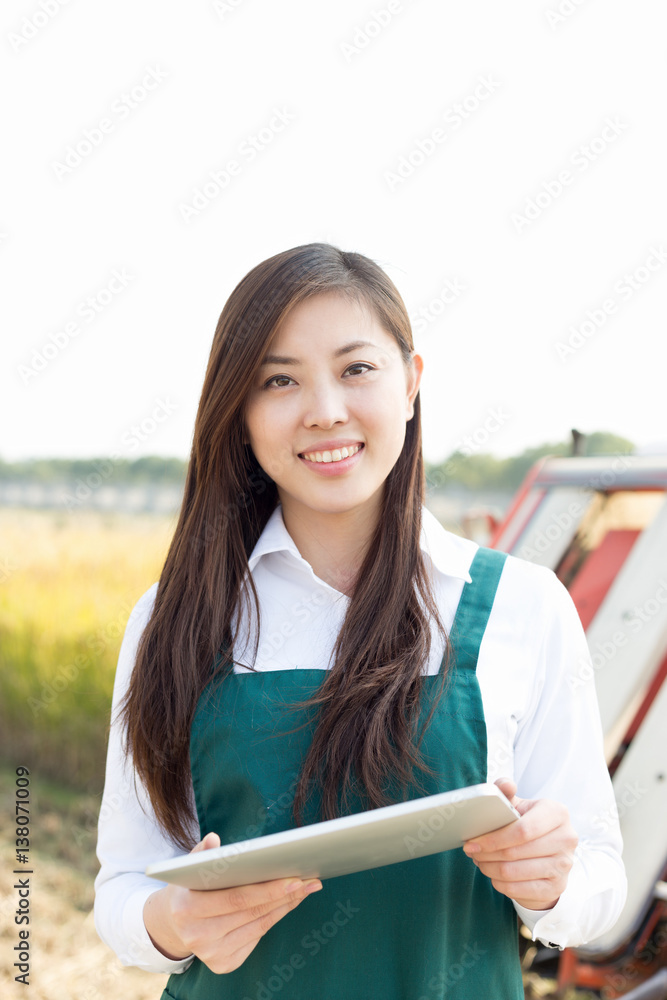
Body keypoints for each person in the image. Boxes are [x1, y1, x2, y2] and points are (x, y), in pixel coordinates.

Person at [94, 242, 626, 999]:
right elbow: (120, 885)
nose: (324, 411)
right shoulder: (173, 620)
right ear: (239, 413)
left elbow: (598, 884)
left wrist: (549, 883)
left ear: (410, 382)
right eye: (278, 380)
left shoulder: (522, 605)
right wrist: (173, 924)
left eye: (356, 369)